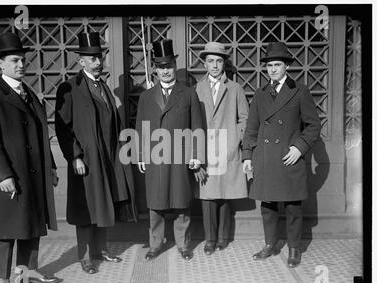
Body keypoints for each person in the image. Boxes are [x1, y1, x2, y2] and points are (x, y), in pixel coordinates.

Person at [55, 32, 137, 274]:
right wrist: (75, 156)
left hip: (108, 158)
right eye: (92, 59)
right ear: (81, 61)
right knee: (86, 209)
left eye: (99, 57)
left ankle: (100, 251)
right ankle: (84, 257)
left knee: (103, 204)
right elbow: (62, 127)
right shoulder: (69, 88)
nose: (98, 62)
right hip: (86, 160)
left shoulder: (103, 87)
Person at [0, 32, 62, 283]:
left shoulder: (29, 92)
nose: (22, 65)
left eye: (23, 60)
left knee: (31, 222)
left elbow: (42, 132)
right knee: (6, 227)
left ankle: (28, 271)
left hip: (34, 172)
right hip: (10, 173)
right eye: (15, 60)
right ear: (1, 64)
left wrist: (51, 166)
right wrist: (2, 174)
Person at [242, 42, 321, 268]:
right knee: (267, 206)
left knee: (293, 207)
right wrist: (247, 156)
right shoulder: (260, 93)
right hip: (265, 159)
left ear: (286, 66)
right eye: (269, 65)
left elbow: (313, 126)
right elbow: (251, 128)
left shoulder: (299, 90)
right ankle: (270, 244)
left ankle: (294, 248)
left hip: (289, 158)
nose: (273, 69)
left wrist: (299, 148)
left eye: (277, 64)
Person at [135, 39, 204, 261]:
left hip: (180, 157)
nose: (165, 71)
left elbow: (197, 127)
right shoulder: (146, 97)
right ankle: (155, 244)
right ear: (155, 69)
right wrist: (140, 154)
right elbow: (141, 127)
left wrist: (196, 155)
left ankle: (183, 245)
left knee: (181, 202)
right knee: (156, 203)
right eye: (161, 67)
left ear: (174, 66)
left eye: (169, 66)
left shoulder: (188, 93)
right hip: (155, 157)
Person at [195, 42, 249, 255]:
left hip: (228, 149)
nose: (215, 65)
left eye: (219, 61)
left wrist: (235, 138)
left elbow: (244, 118)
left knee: (225, 194)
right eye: (210, 61)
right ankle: (210, 239)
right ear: (205, 63)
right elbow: (192, 121)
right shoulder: (197, 89)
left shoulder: (235, 88)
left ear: (224, 63)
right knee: (208, 196)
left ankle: (223, 238)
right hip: (206, 150)